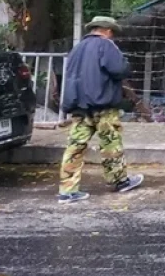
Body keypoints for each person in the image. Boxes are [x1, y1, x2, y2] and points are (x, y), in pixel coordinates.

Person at [57, 16, 144, 204]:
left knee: (75, 146)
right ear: (107, 30)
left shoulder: (77, 48)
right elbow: (120, 69)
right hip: (103, 105)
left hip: (79, 106)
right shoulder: (106, 46)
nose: (112, 36)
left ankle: (67, 190)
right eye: (112, 32)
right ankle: (119, 181)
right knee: (110, 144)